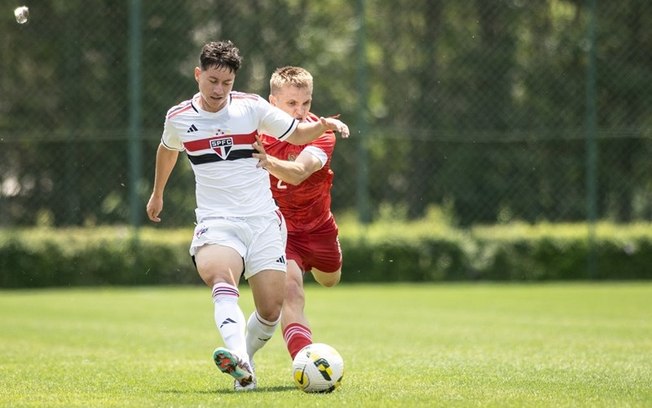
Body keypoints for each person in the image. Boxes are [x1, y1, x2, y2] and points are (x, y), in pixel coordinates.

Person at [145, 41, 349, 391]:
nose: (218, 90)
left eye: (225, 83)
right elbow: (168, 149)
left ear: (234, 81)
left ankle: (247, 359)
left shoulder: (251, 108)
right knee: (222, 276)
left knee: (271, 309)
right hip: (217, 221)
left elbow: (299, 134)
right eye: (211, 81)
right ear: (198, 75)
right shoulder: (179, 117)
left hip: (264, 221)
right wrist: (157, 193)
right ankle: (239, 359)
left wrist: (324, 125)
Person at [252, 66, 343, 363]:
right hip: (281, 230)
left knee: (330, 280)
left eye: (306, 103)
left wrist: (267, 162)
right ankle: (304, 360)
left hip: (319, 228)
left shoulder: (321, 133)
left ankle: (323, 261)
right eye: (292, 104)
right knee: (291, 292)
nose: (301, 111)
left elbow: (299, 173)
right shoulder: (255, 131)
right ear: (273, 102)